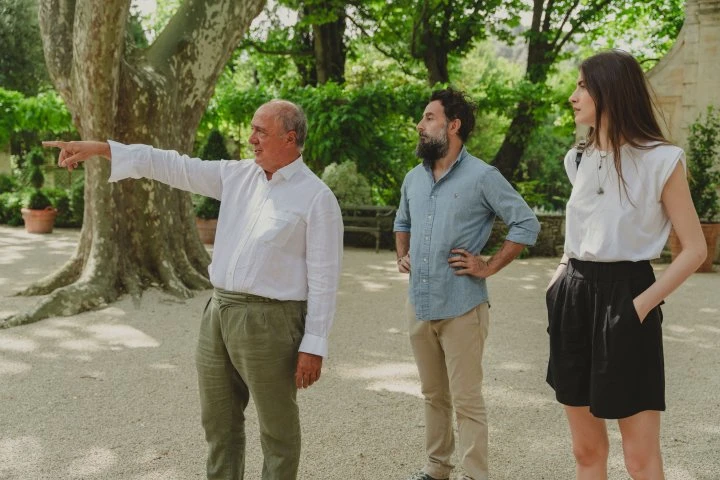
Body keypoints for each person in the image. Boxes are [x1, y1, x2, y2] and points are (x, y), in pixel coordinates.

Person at [44, 99, 343, 480]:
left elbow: (325, 276)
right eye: (251, 129)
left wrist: (314, 344)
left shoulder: (317, 198)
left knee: (277, 431)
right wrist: (102, 149)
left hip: (272, 321)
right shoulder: (236, 175)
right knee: (218, 423)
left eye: (260, 132)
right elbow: (170, 163)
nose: (250, 138)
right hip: (218, 312)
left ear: (290, 138)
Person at [545, 50, 707, 480]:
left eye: (582, 85)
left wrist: (639, 306)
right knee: (585, 451)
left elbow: (694, 249)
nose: (573, 96)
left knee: (640, 458)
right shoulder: (576, 159)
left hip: (628, 294)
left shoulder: (661, 160)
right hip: (574, 296)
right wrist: (558, 279)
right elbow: (578, 234)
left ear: (611, 90)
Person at [394, 88, 541, 480]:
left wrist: (489, 265)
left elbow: (527, 223)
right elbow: (401, 222)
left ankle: (475, 474)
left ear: (453, 125)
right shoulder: (413, 178)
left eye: (428, 118)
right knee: (433, 396)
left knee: (467, 401)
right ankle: (436, 469)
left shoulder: (483, 177)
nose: (420, 125)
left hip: (462, 306)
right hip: (418, 305)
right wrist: (401, 254)